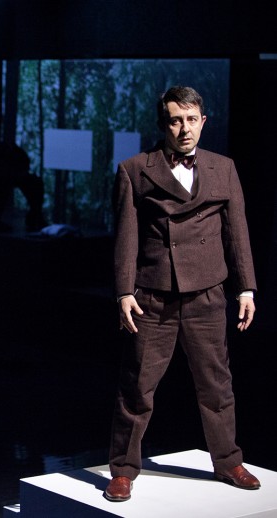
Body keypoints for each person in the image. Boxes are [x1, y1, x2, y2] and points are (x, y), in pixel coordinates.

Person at [105, 85, 260, 502]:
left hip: (207, 294)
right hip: (153, 296)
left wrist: (245, 287)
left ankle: (228, 461)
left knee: (216, 385)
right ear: (164, 124)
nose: (185, 128)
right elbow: (126, 237)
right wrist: (123, 292)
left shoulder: (223, 168)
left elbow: (237, 232)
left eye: (192, 119)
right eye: (176, 120)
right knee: (137, 388)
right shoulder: (135, 169)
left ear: (203, 122)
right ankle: (122, 470)